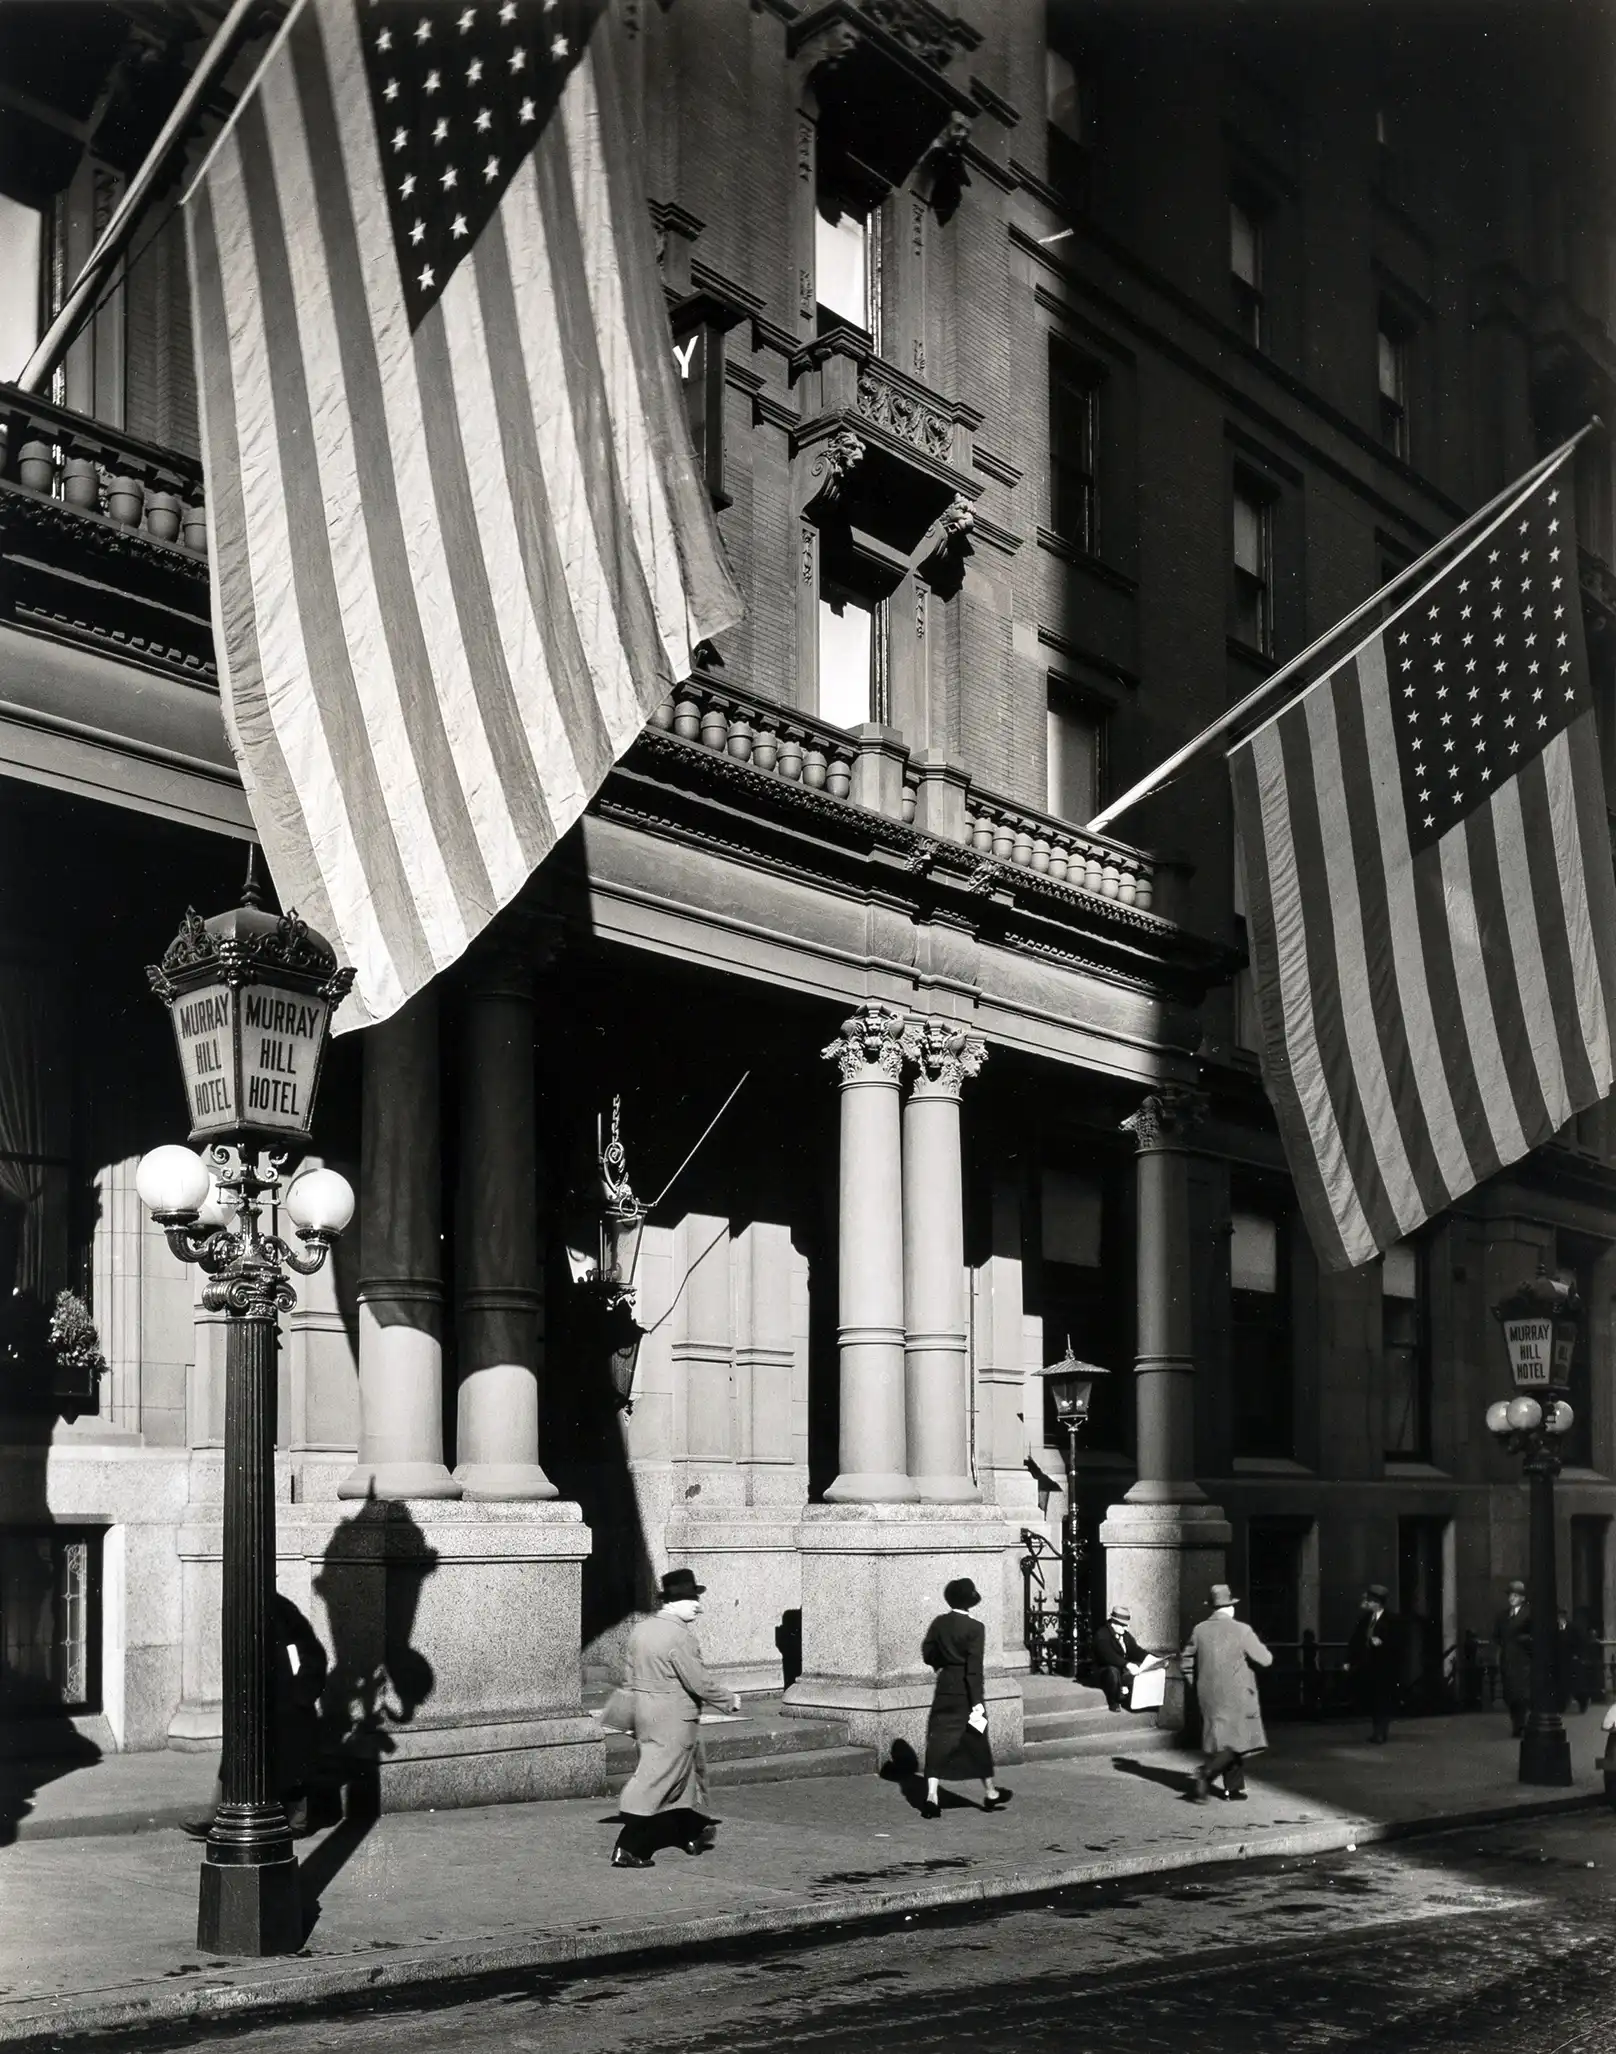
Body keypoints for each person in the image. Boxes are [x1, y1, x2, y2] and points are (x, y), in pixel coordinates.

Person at [611, 1568, 741, 1869]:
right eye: (692, 1598)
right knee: (660, 1778)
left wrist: (628, 1717)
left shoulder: (641, 1630)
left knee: (681, 1779)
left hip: (646, 1715)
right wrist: (728, 1700)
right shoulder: (680, 1637)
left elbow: (629, 1678)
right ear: (675, 1602)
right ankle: (629, 1846)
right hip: (674, 1720)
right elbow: (698, 1682)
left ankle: (692, 1835)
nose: (698, 1604)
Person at [181, 1593, 330, 1840]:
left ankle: (298, 1821)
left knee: (293, 1762)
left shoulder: (282, 1609)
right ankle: (216, 1816)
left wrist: (301, 1693)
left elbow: (308, 1650)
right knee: (235, 1758)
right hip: (256, 1701)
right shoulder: (244, 1604)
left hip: (286, 1702)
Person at [920, 1578, 1011, 1818]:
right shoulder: (976, 1628)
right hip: (965, 1691)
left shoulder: (939, 1623)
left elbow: (928, 1653)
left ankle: (931, 1796)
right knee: (977, 1739)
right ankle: (990, 1792)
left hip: (945, 1686)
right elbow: (974, 1669)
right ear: (970, 1602)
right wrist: (977, 1702)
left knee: (938, 1739)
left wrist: (942, 1664)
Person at [1180, 1583, 1273, 1802]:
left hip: (1209, 1695)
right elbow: (1266, 1659)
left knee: (1225, 1740)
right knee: (1235, 1743)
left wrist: (1198, 1682)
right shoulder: (1242, 1630)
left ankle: (1233, 1788)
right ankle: (1206, 1773)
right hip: (1237, 1694)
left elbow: (1185, 1662)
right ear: (1230, 1608)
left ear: (1213, 1608)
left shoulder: (1199, 1629)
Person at [1345, 1583, 1402, 1744]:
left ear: (1377, 1602)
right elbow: (1355, 1641)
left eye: (1369, 1601)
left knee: (1382, 1701)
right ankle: (1377, 1730)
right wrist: (1349, 1660)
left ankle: (1380, 1732)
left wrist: (1383, 1643)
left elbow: (1399, 1643)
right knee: (1372, 1700)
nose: (1366, 1603)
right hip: (1368, 1666)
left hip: (1384, 1668)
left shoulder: (1392, 1620)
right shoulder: (1365, 1620)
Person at [1091, 1604, 1149, 1713]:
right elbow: (1108, 1655)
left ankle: (1132, 1698)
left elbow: (1136, 1650)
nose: (1125, 1628)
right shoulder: (1102, 1634)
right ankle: (1114, 1702)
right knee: (1113, 1672)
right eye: (1122, 1625)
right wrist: (1127, 1664)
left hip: (1121, 1669)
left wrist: (1151, 1658)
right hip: (1103, 1671)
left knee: (1138, 1669)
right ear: (1113, 1623)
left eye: (1126, 1625)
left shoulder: (1125, 1635)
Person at [1494, 1580, 1532, 1738]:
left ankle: (1520, 1724)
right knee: (1510, 1694)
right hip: (1507, 1660)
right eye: (1510, 1595)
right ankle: (1517, 1722)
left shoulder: (1529, 1614)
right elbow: (1496, 1635)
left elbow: (1534, 1635)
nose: (1511, 1598)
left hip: (1523, 1661)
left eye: (1515, 1595)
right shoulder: (1502, 1616)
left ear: (1522, 1598)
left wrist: (1524, 1639)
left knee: (1521, 1694)